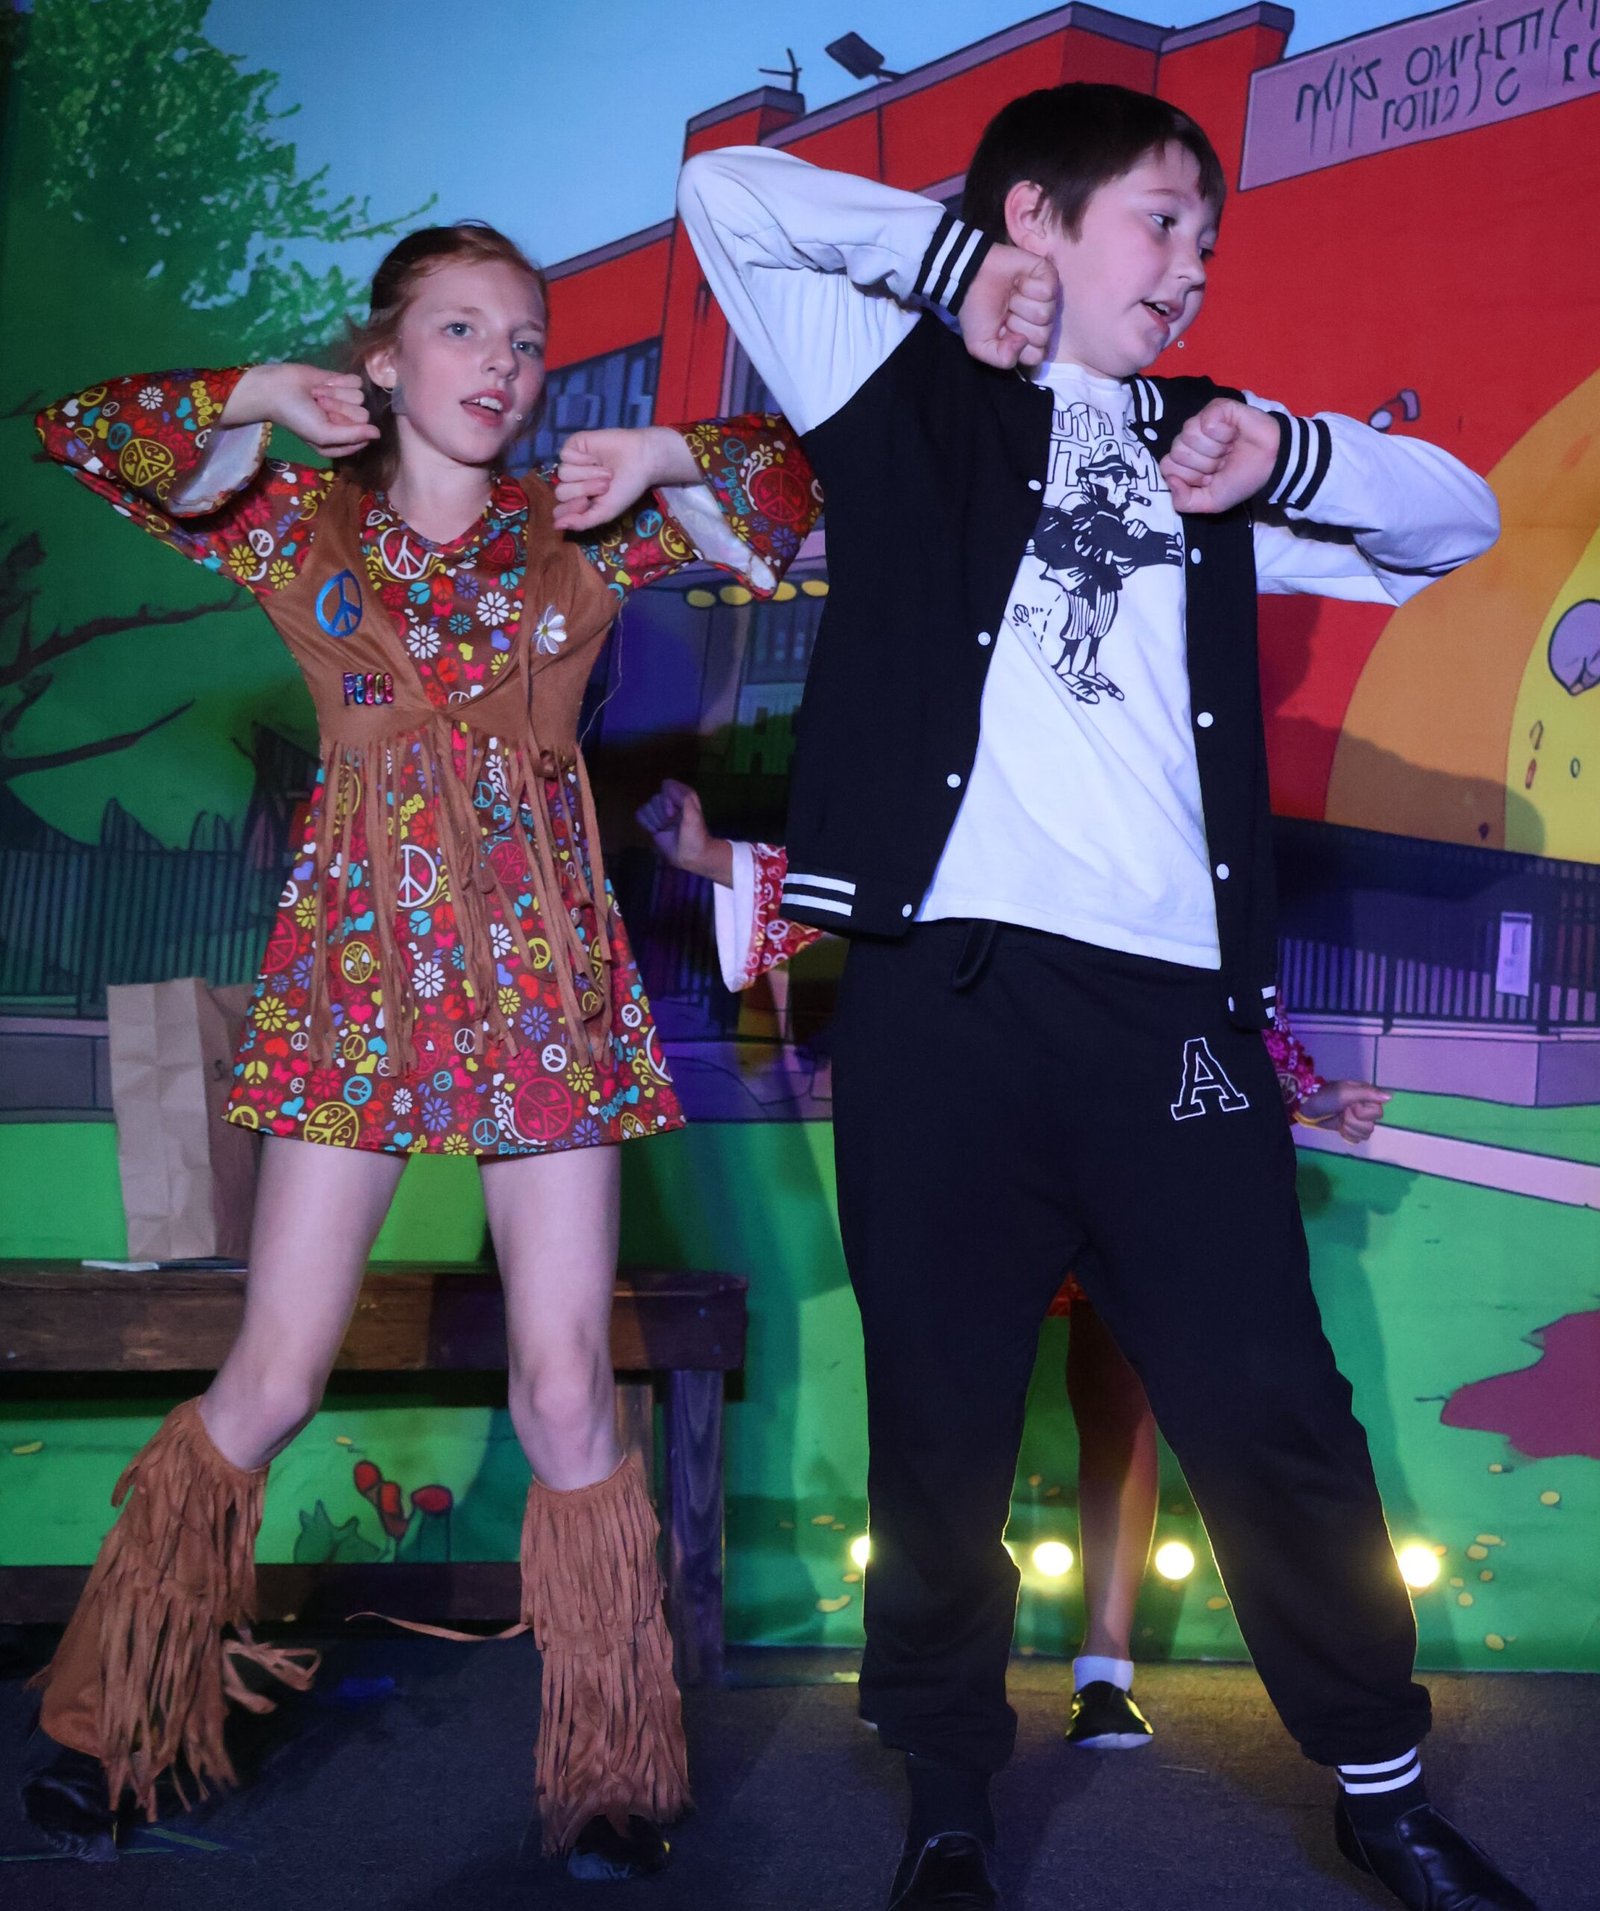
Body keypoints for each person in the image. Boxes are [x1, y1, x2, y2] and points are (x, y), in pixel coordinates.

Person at [675, 85, 1532, 1911]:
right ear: (1034, 218)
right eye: (1161, 219)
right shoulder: (892, 386)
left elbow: (1457, 520)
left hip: (1168, 1021)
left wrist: (1286, 451)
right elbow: (727, 195)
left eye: (1208, 237)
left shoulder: (1202, 448)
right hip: (943, 1000)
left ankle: (1384, 1790)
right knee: (942, 1423)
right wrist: (949, 270)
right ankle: (947, 1803)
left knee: (1273, 1399)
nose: (1193, 263)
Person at [22, 220, 818, 1879]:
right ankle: (110, 1726)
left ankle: (614, 1768)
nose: (501, 366)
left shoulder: (578, 527)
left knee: (564, 1387)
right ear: (384, 359)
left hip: (543, 1000)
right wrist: (258, 390)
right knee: (273, 1374)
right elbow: (83, 429)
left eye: (525, 342)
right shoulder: (295, 520)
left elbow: (796, 495)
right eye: (461, 330)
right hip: (356, 990)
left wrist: (670, 450)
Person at [638, 779, 1392, 1754]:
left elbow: (1211, 978)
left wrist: (1306, 1088)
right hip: (985, 1132)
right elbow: (873, 876)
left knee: (1120, 1399)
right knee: (946, 1405)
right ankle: (941, 1688)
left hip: (1124, 1136)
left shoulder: (1150, 811)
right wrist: (709, 859)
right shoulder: (977, 780)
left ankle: (1106, 1668)